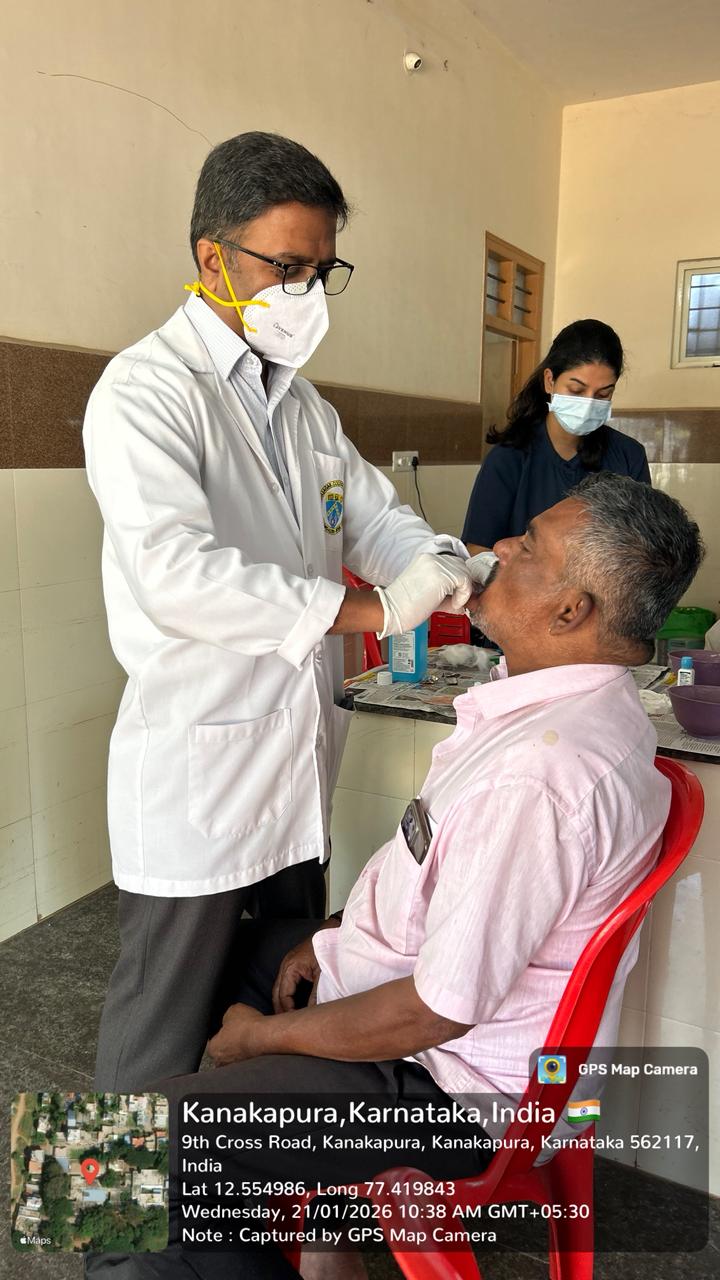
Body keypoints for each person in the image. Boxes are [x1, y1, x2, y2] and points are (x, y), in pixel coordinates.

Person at [87, 473, 703, 1279]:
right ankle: (305, 1225)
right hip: (429, 1009)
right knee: (207, 965)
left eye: (531, 548)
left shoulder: (540, 777)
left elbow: (438, 1009)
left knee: (124, 1161)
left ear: (570, 611)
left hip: (445, 1089)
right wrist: (338, 934)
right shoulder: (574, 709)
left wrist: (266, 1039)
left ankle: (202, 1188)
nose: (502, 547)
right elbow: (434, 869)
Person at [83, 131, 475, 1094]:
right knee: (157, 1036)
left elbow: (378, 520)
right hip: (200, 783)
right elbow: (175, 574)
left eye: (321, 270)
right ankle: (102, 1234)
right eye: (287, 266)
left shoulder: (303, 411)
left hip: (297, 773)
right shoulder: (145, 393)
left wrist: (435, 564)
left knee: (275, 1002)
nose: (304, 293)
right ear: (211, 257)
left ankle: (238, 1226)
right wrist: (370, 609)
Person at [462, 318, 651, 553]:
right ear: (550, 381)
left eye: (603, 394)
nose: (589, 403)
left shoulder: (629, 456)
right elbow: (478, 550)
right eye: (576, 390)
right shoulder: (509, 459)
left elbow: (641, 551)